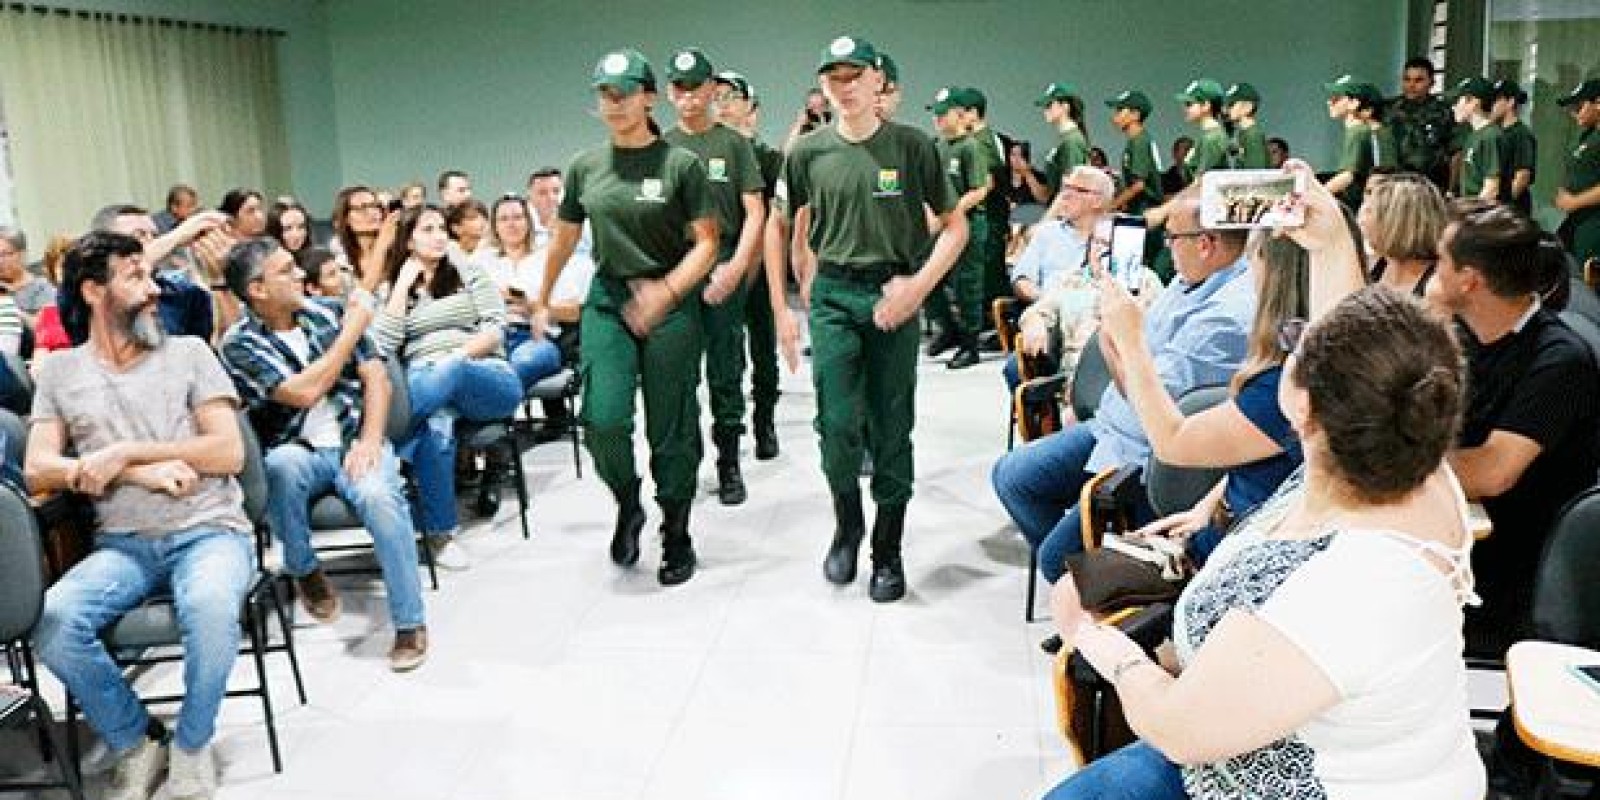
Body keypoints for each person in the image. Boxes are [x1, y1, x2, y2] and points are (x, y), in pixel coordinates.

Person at [1043, 285, 1485, 800]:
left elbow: (1178, 731)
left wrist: (1094, 637)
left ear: (1302, 404)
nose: (1287, 344)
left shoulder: (1345, 588)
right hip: (1270, 726)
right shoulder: (1402, 463)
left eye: (1296, 339)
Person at [27, 231, 256, 800]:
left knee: (207, 607)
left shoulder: (189, 355)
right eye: (135, 276)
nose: (153, 289)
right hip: (123, 543)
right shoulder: (59, 372)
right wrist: (131, 474)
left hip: (209, 531)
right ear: (93, 291)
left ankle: (192, 745)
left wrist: (128, 453)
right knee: (53, 619)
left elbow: (228, 452)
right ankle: (135, 740)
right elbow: (37, 468)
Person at [764, 34, 966, 602]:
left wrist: (918, 287)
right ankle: (847, 524)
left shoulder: (912, 147)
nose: (844, 87)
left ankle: (887, 547)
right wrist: (783, 305)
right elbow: (781, 225)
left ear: (880, 81)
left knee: (892, 422)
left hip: (892, 291)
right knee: (836, 426)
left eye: (855, 76)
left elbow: (956, 226)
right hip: (832, 295)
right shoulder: (807, 152)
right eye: (834, 77)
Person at [992, 181, 1254, 586]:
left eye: (1172, 239)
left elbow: (1147, 398)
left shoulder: (1225, 316)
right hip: (1110, 424)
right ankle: (1091, 582)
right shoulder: (1191, 280)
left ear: (1205, 243)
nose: (1167, 248)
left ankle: (1089, 582)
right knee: (1013, 478)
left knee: (1053, 561)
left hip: (1146, 454)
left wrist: (1115, 332)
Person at [534, 48, 718, 586]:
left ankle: (677, 529)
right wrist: (543, 298)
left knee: (673, 426)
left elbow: (707, 243)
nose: (613, 104)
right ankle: (627, 501)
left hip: (672, 301)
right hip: (609, 302)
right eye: (605, 95)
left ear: (648, 98)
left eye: (624, 93)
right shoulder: (586, 167)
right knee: (603, 419)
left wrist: (666, 291)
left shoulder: (680, 165)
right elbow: (565, 237)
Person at [218, 238, 428, 671]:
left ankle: (410, 622)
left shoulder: (326, 312)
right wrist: (352, 330)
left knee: (378, 498)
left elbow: (377, 378)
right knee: (279, 465)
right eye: (286, 270)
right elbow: (302, 391)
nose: (300, 275)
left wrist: (370, 440)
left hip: (355, 438)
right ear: (257, 290)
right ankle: (305, 569)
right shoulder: (238, 345)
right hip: (301, 450)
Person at [1426, 205, 1600, 656]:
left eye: (1440, 261)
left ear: (1469, 280)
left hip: (1511, 569)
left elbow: (1492, 472)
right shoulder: (1465, 334)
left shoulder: (1561, 360)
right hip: (1459, 538)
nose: (1431, 270)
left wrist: (1392, 465)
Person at [373, 204, 521, 571]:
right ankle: (440, 534)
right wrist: (403, 285)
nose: (439, 235)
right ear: (407, 241)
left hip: (485, 375)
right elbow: (384, 345)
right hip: (428, 381)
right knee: (435, 430)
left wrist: (456, 356)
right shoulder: (394, 289)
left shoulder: (469, 274)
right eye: (427, 229)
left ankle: (383, 434)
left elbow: (495, 328)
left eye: (442, 228)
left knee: (448, 372)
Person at [663, 46, 767, 505]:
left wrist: (739, 266)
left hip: (724, 266)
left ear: (711, 90)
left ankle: (729, 461)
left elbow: (755, 211)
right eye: (679, 89)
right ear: (669, 93)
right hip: (678, 270)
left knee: (727, 370)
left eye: (697, 88)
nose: (689, 98)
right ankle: (687, 461)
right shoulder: (659, 147)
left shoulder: (733, 144)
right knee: (680, 376)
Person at [1006, 167, 1163, 393]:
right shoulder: (1059, 256)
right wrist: (1047, 309)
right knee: (1019, 368)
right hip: (1059, 333)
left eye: (1075, 190)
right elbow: (1024, 284)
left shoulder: (1139, 273)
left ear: (1097, 200)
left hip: (1126, 361)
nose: (1064, 196)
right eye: (1064, 188)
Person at [713, 69, 787, 460]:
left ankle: (765, 421)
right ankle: (729, 433)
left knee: (763, 351)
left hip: (760, 268)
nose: (721, 105)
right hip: (717, 266)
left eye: (730, 97)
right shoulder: (701, 154)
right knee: (725, 355)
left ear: (751, 109)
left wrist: (756, 265)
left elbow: (777, 219)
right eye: (717, 97)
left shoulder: (768, 157)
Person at [924, 86, 992, 370]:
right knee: (929, 279)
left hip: (967, 223)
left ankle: (970, 343)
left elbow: (978, 190)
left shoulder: (971, 147)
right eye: (935, 115)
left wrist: (950, 214)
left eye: (943, 114)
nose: (938, 120)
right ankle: (948, 328)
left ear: (960, 114)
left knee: (967, 285)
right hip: (939, 223)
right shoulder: (936, 146)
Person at [479, 194, 565, 392]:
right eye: (504, 219)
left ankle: (495, 405)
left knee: (522, 363)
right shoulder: (481, 261)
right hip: (491, 335)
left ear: (529, 222)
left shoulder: (548, 259)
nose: (511, 224)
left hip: (535, 338)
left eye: (518, 217)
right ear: (495, 226)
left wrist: (532, 306)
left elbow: (574, 311)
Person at [1360, 173, 1448, 295]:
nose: (1362, 219)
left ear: (1396, 222)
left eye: (1370, 211)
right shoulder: (1371, 271)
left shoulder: (1440, 287)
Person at [1386, 56, 1457, 190]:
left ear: (1431, 82)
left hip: (1432, 184)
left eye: (1418, 80)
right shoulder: (1388, 109)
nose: (1411, 85)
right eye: (1407, 79)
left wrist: (1451, 190)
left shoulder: (1444, 111)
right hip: (1395, 183)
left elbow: (1454, 152)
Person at [1020, 82, 1089, 204]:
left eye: (1049, 105)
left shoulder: (1072, 141)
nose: (1045, 111)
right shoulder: (1065, 139)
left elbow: (1071, 188)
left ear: (1065, 107)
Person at [1556, 79, 1600, 265]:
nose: (1573, 113)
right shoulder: (1588, 135)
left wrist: (1575, 201)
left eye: (1579, 106)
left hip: (1594, 225)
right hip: (1576, 223)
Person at [1106, 90, 1163, 218]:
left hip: (1145, 209)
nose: (1115, 116)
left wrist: (1111, 206)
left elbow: (1138, 185)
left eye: (1120, 110)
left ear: (1135, 115)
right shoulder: (1136, 140)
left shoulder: (1139, 141)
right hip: (1139, 207)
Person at [1323, 75, 1376, 210]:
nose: (1329, 102)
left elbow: (1347, 176)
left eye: (1336, 98)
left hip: (1359, 205)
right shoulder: (1361, 130)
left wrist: (1318, 195)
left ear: (1354, 103)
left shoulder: (1357, 132)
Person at [1451, 77, 1503, 201]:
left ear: (1474, 102)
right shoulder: (1473, 135)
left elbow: (1491, 189)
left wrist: (1471, 216)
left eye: (1458, 101)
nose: (1454, 107)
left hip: (1483, 215)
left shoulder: (1491, 136)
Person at [1491, 80, 1537, 215]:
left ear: (1510, 102)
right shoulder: (1496, 132)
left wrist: (1503, 208)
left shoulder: (1521, 134)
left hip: (1512, 210)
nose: (1491, 105)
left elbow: (1522, 177)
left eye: (1496, 100)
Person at [1174, 80, 1229, 186]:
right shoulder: (1208, 136)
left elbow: (1200, 183)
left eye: (1189, 104)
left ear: (1206, 105)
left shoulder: (1213, 138)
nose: (1185, 108)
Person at [0, 225, 56, 330]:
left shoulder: (42, 288)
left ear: (22, 254)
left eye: (4, 254)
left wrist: (8, 308)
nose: (0, 261)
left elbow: (45, 328)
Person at [332, 185, 386, 288]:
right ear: (346, 218)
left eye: (375, 205)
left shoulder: (397, 252)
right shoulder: (342, 264)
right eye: (363, 207)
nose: (372, 212)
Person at [1223, 82, 1269, 169]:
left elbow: (1256, 173)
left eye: (1231, 105)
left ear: (1248, 106)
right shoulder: (1244, 134)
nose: (1226, 110)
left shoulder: (1252, 135)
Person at [445, 198, 493, 266]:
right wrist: (480, 248)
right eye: (473, 218)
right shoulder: (448, 250)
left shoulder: (492, 250)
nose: (482, 221)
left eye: (485, 216)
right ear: (456, 228)